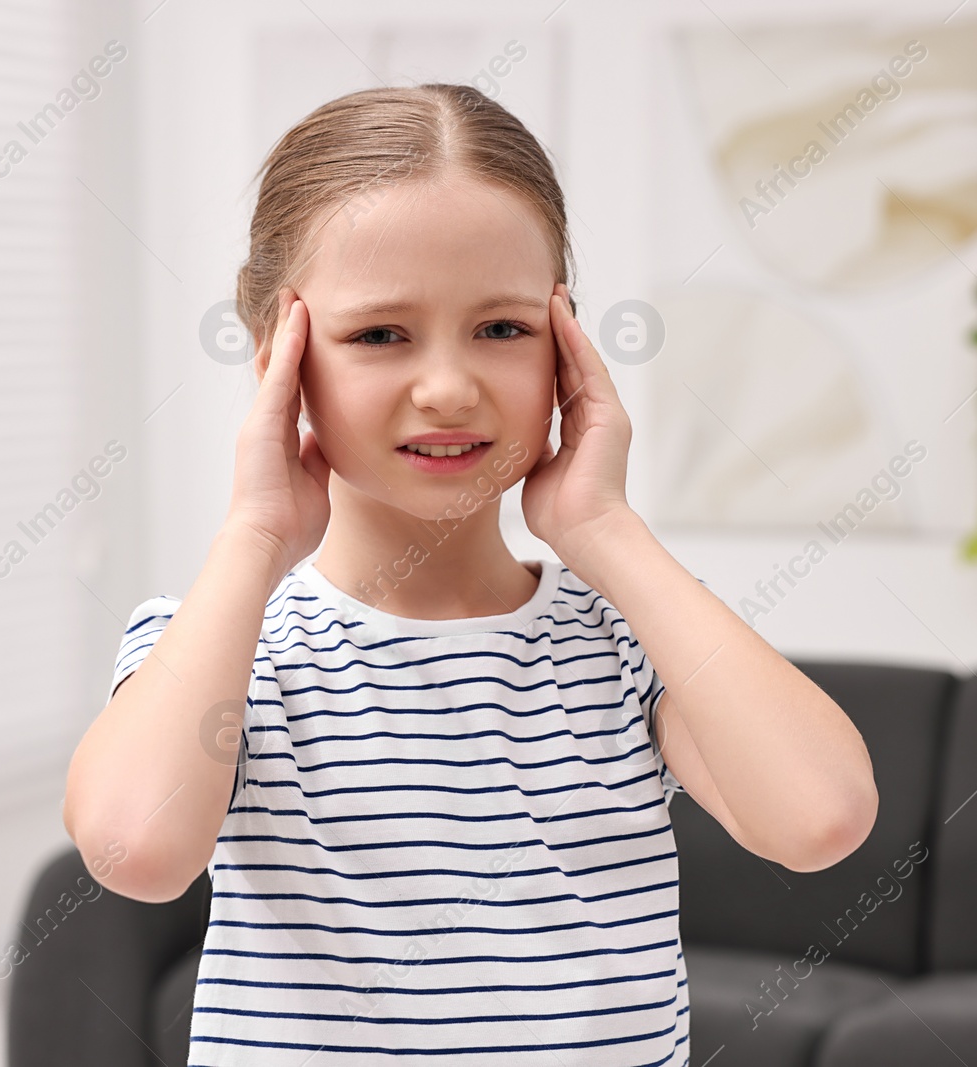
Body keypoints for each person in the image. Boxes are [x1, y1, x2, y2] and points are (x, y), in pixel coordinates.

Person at [63, 82, 878, 1066]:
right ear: (278, 353)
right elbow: (134, 850)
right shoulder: (217, 644)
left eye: (501, 328)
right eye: (379, 334)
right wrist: (254, 533)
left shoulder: (625, 644)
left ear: (565, 345)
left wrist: (605, 528)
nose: (448, 388)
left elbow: (820, 815)